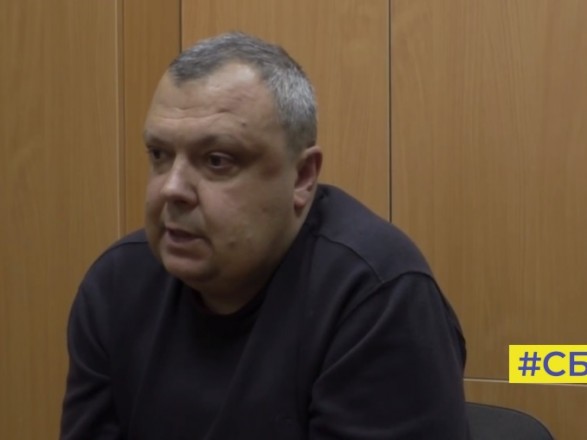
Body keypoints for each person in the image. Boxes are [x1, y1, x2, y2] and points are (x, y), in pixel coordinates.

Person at [61, 31, 470, 439]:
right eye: (159, 155)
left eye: (217, 160)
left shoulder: (374, 293)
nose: (172, 188)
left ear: (302, 177)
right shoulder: (117, 285)